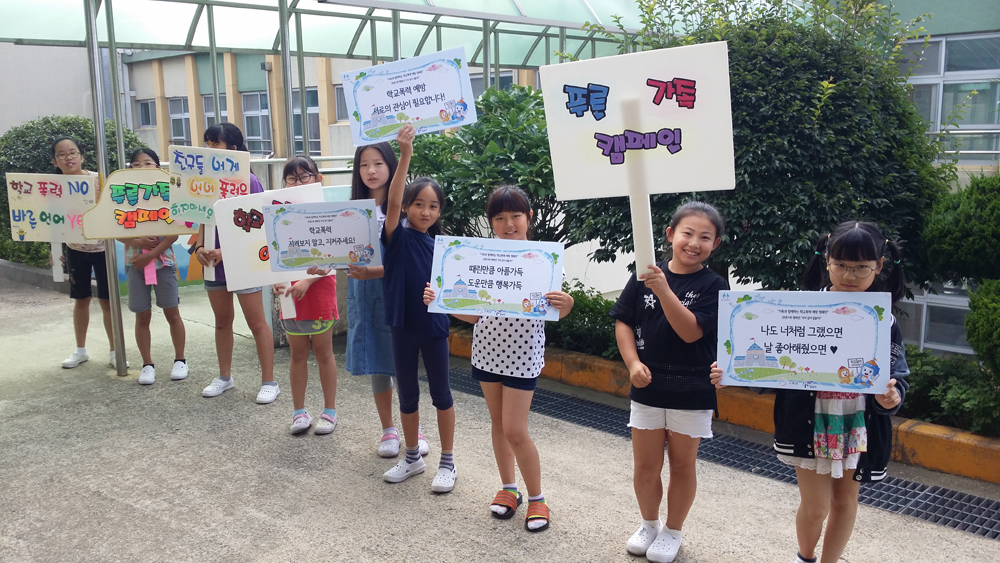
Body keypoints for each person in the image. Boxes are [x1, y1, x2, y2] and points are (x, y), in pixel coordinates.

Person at [732, 221, 909, 563]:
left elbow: (897, 374)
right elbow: (770, 367)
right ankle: (805, 556)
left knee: (845, 502)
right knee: (815, 507)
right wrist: (735, 370)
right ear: (827, 260)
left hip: (857, 419)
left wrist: (892, 396)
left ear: (879, 267)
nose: (850, 275)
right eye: (841, 264)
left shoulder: (881, 319)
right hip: (808, 420)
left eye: (861, 267)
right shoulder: (799, 309)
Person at [422, 185, 574, 532]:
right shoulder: (481, 258)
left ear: (529, 218)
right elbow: (476, 316)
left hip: (522, 356)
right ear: (491, 222)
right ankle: (509, 489)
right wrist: (442, 298)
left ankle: (537, 499)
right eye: (500, 217)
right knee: (497, 424)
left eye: (515, 216)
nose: (508, 224)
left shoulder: (543, 259)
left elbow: (553, 311)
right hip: (487, 351)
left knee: (516, 430)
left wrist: (568, 306)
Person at [611, 201, 729, 563]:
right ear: (670, 235)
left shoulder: (714, 285)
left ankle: (673, 531)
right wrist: (632, 363)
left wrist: (663, 290)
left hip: (693, 390)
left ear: (716, 245)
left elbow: (692, 332)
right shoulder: (644, 274)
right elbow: (623, 321)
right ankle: (649, 524)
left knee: (681, 465)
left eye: (705, 237)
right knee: (645, 466)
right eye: (687, 233)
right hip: (647, 386)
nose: (694, 243)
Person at [309, 141, 429, 456]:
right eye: (364, 165)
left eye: (378, 163)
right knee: (378, 362)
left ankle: (413, 429)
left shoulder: (403, 210)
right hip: (364, 296)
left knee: (402, 365)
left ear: (391, 165)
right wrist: (320, 265)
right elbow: (335, 252)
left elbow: (410, 260)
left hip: (396, 295)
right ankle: (388, 429)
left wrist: (375, 272)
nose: (371, 171)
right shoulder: (350, 210)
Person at [379, 124, 455, 493]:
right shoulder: (397, 236)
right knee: (407, 395)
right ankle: (412, 458)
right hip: (401, 324)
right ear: (407, 207)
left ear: (440, 211)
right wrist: (405, 154)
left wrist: (440, 296)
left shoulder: (444, 249)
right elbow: (391, 201)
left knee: (442, 394)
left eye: (433, 206)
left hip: (434, 327)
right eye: (419, 204)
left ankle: (448, 462)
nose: (426, 211)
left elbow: (455, 291)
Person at [193, 123, 277, 403]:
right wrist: (199, 249)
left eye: (214, 144)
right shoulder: (202, 183)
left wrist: (222, 252)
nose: (209, 150)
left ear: (234, 149)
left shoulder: (250, 183)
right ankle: (225, 377)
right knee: (222, 322)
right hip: (211, 264)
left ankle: (269, 381)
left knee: (257, 323)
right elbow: (196, 222)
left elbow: (256, 232)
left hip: (243, 264)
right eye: (207, 144)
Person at [272, 156, 339, 434]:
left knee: (324, 353)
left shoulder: (329, 212)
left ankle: (330, 411)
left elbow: (335, 255)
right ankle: (298, 412)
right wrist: (273, 281)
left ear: (318, 178)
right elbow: (270, 255)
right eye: (292, 178)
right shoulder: (278, 215)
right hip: (289, 295)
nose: (299, 182)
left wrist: (308, 281)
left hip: (320, 292)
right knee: (297, 355)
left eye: (305, 176)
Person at [118, 148, 187, 385]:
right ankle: (147, 364)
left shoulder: (169, 192)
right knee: (142, 315)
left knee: (172, 313)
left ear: (158, 167)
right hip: (134, 262)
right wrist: (137, 242)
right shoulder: (124, 195)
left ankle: (180, 360)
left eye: (148, 163)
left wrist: (152, 254)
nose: (142, 168)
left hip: (163, 262)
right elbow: (115, 230)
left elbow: (175, 232)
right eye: (136, 165)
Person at [55, 137, 122, 369]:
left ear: (82, 156)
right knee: (80, 300)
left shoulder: (98, 180)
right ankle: (80, 350)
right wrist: (57, 249)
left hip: (104, 249)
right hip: (74, 250)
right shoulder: (53, 186)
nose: (68, 158)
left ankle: (115, 351)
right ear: (55, 161)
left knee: (107, 302)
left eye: (72, 153)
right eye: (62, 154)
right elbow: (51, 221)